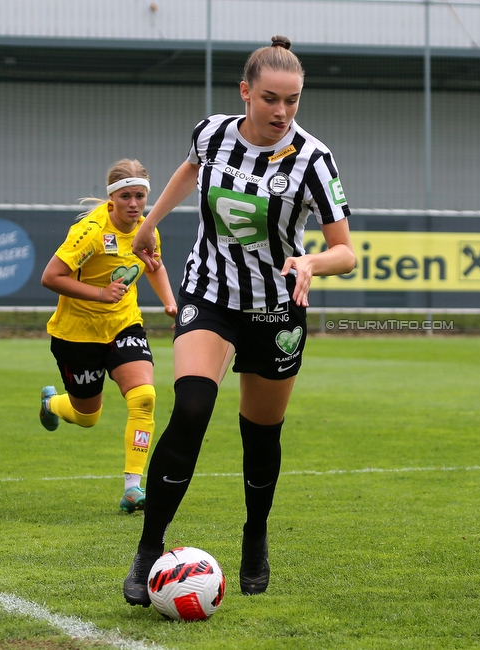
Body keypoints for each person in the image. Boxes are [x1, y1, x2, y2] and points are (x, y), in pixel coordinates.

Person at [121, 35, 355, 606]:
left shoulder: (314, 160)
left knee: (260, 433)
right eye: (271, 98)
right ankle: (149, 549)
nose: (281, 112)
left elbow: (345, 252)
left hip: (277, 309)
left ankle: (256, 534)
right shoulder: (213, 133)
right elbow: (189, 171)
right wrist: (149, 225)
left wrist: (311, 262)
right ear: (245, 92)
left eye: (293, 101)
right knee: (193, 406)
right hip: (211, 294)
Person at [39, 159, 178, 513]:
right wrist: (101, 294)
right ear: (112, 198)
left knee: (144, 396)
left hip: (123, 325)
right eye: (126, 196)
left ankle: (133, 487)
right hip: (76, 334)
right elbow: (51, 277)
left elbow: (153, 265)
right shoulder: (90, 231)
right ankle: (51, 404)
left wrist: (170, 304)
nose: (134, 204)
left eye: (141, 196)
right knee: (87, 417)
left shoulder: (147, 228)